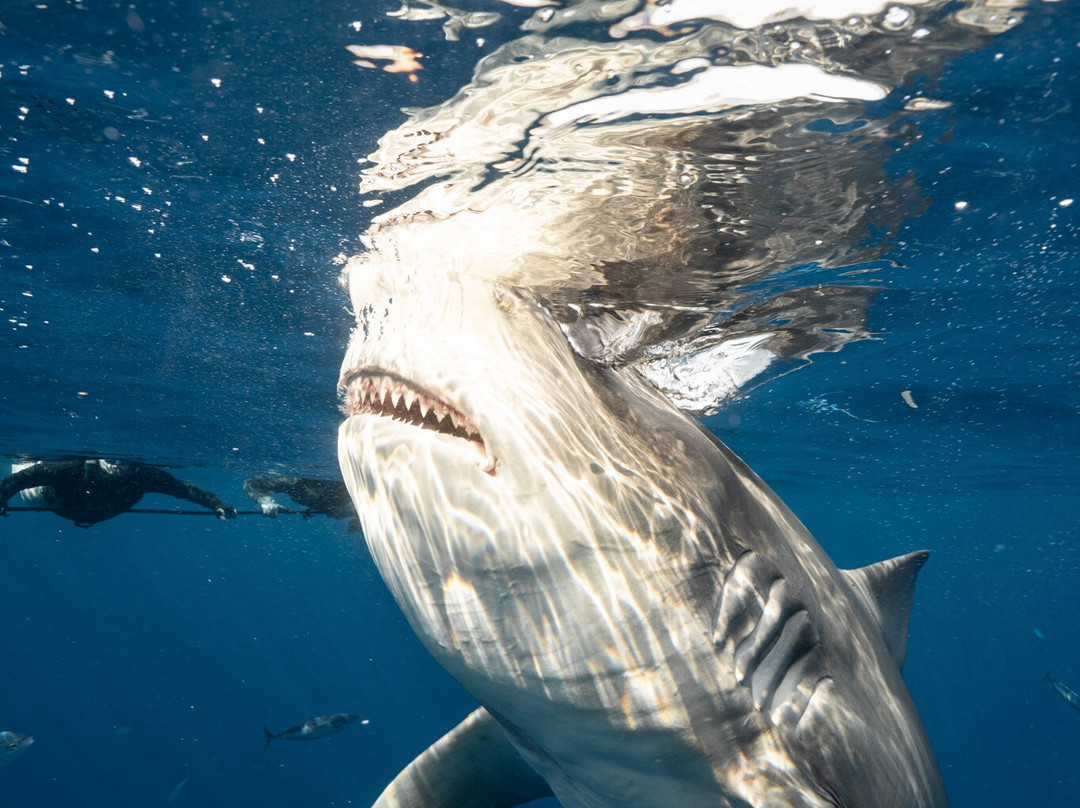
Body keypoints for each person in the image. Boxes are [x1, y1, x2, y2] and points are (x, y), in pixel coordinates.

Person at [0, 458, 237, 527]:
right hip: (48, 499)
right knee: (29, 470)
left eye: (123, 461)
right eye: (111, 459)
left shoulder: (143, 476)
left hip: (82, 509)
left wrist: (217, 504)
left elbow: (183, 490)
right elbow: (22, 479)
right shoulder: (73, 468)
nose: (116, 465)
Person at [243, 474, 361, 533]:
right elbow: (251, 484)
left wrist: (351, 509)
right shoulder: (293, 483)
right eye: (316, 485)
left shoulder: (347, 484)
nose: (319, 488)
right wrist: (265, 501)